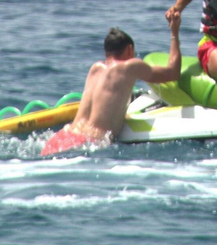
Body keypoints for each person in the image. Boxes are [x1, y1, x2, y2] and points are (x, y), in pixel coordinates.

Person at [43, 12, 183, 155]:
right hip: (90, 142)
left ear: (106, 52)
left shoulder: (95, 69)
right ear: (129, 50)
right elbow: (173, 73)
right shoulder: (130, 66)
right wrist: (174, 33)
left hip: (64, 135)